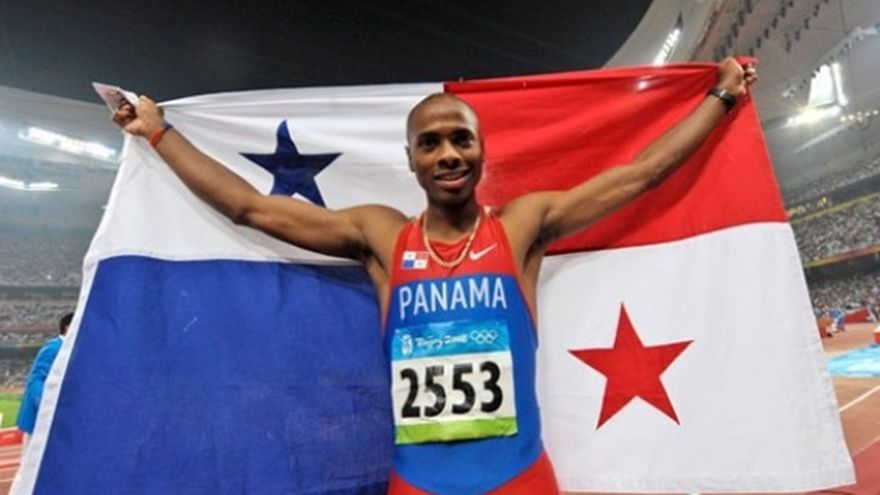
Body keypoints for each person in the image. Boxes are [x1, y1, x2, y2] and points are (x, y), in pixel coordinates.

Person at [112, 58, 756, 495]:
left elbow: (641, 174)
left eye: (461, 139)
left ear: (481, 150)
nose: (448, 153)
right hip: (419, 485)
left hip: (520, 480)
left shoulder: (521, 227)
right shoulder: (383, 236)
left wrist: (722, 96)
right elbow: (250, 208)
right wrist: (160, 134)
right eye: (431, 143)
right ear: (411, 159)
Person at [17, 312, 72, 445]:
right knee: (34, 455)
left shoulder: (71, 349)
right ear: (68, 326)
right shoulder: (53, 348)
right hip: (41, 417)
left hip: (59, 416)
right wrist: (45, 405)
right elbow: (36, 379)